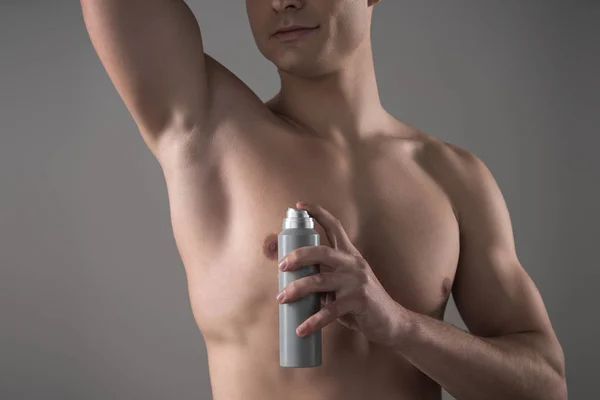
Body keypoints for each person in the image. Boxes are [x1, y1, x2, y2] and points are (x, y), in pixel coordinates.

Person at [80, 1, 567, 399]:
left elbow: (546, 386)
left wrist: (399, 325)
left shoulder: (455, 180)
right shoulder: (207, 133)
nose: (282, 2)